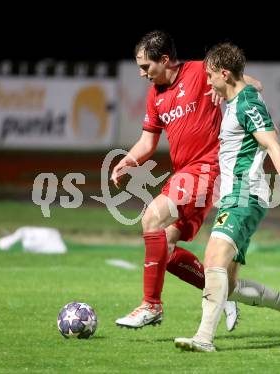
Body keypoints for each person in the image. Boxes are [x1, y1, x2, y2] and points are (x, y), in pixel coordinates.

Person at [111, 31, 261, 331]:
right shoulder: (156, 95)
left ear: (164, 60)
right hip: (186, 173)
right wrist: (127, 161)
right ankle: (222, 294)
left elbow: (254, 85)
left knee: (152, 218)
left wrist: (229, 88)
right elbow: (147, 142)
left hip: (210, 169)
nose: (142, 74)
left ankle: (151, 306)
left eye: (146, 67)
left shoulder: (199, 71)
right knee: (163, 247)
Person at [174, 42, 280, 352]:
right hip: (234, 196)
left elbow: (273, 144)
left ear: (225, 74)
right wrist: (227, 86)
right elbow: (254, 82)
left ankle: (204, 339)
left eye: (211, 77)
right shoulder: (239, 94)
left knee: (212, 259)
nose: (208, 83)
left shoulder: (248, 105)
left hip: (244, 194)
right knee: (230, 285)